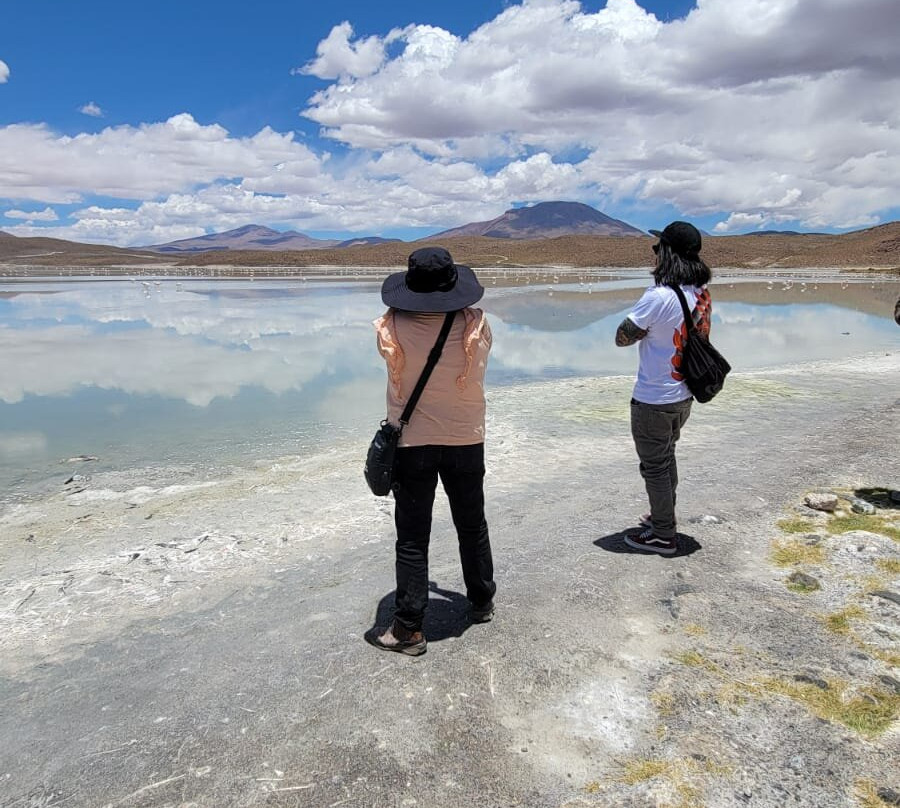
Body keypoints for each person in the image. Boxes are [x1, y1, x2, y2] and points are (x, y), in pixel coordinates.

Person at [365, 246, 496, 655]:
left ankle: (408, 628)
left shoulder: (391, 326)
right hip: (466, 437)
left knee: (412, 536)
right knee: (472, 523)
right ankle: (481, 601)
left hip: (413, 442)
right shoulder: (475, 322)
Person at [614, 221, 713, 555]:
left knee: (654, 466)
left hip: (654, 397)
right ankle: (663, 515)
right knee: (666, 457)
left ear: (668, 253)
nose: (654, 253)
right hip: (684, 394)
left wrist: (644, 330)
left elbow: (622, 337)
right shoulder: (700, 293)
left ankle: (662, 534)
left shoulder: (658, 297)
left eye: (658, 248)